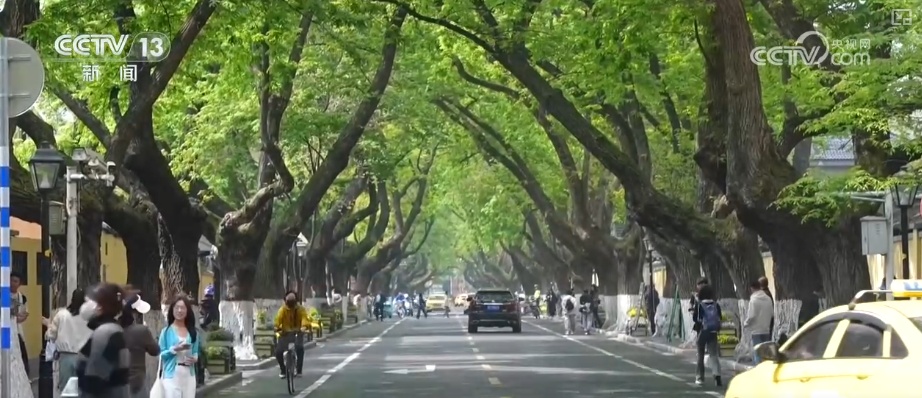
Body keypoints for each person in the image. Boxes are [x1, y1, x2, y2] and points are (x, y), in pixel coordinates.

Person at [76, 283, 131, 398]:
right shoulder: (111, 330)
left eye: (89, 301)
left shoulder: (105, 333)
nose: (85, 305)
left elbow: (94, 378)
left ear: (100, 306)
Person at [46, 289, 92, 392]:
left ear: (71, 299)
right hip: (85, 357)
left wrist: (48, 325)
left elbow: (51, 335)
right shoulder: (90, 317)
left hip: (66, 357)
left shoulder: (62, 314)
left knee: (66, 389)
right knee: (83, 389)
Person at [158, 295, 201, 398]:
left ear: (187, 311)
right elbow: (160, 355)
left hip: (189, 375)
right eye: (177, 307)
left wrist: (195, 358)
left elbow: (195, 351)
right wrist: (174, 349)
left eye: (183, 308)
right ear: (172, 310)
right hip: (171, 375)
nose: (179, 310)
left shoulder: (193, 332)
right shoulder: (166, 332)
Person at [120, 291, 159, 398]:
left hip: (118, 383)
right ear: (135, 314)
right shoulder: (141, 331)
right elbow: (155, 350)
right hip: (138, 383)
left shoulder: (114, 329)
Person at [692, 285, 722, 387]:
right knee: (713, 354)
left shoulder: (700, 305)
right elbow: (719, 317)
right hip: (713, 331)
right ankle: (717, 376)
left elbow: (696, 318)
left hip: (703, 332)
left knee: (700, 354)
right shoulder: (715, 305)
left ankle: (700, 378)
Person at [274, 291, 308, 378]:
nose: (289, 303)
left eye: (292, 301)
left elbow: (304, 319)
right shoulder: (282, 310)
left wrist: (304, 327)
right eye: (288, 301)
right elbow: (277, 320)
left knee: (299, 348)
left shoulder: (300, 309)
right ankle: (283, 369)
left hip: (298, 333)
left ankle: (299, 370)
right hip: (285, 334)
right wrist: (276, 327)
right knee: (278, 352)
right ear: (285, 301)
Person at [744, 280, 774, 364]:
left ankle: (758, 371)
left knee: (758, 353)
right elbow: (772, 313)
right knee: (765, 353)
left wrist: (746, 323)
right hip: (766, 329)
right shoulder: (768, 298)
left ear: (752, 288)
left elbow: (751, 316)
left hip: (756, 330)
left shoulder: (753, 300)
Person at [11, 272, 30, 376]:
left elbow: (23, 315)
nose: (13, 283)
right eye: (11, 280)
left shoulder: (22, 298)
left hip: (17, 331)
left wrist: (15, 318)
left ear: (19, 284)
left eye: (15, 281)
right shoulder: (3, 295)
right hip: (5, 331)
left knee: (21, 354)